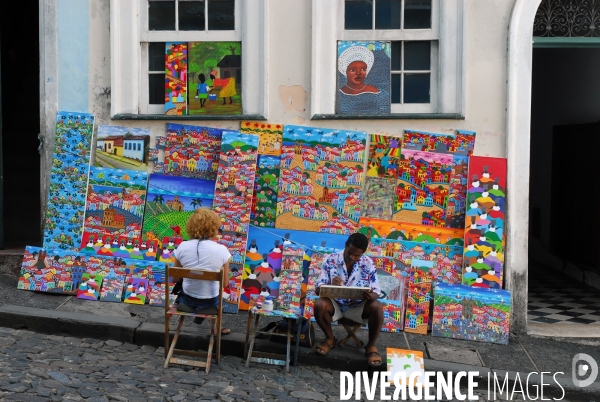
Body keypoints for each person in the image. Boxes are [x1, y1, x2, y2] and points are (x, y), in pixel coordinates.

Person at [313, 233, 384, 366]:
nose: (352, 257)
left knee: (377, 306)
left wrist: (371, 295)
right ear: (345, 246)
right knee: (319, 304)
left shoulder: (368, 263)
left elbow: (376, 290)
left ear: (363, 253)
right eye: (349, 253)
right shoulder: (331, 259)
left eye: (357, 255)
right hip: (335, 306)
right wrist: (330, 284)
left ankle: (371, 346)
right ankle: (329, 338)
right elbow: (318, 289)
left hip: (358, 307)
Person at [171, 208, 231, 335]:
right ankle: (215, 328)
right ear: (214, 227)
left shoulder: (182, 247)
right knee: (220, 294)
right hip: (211, 304)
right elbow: (225, 284)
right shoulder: (222, 250)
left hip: (186, 303)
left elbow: (175, 279)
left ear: (191, 226)